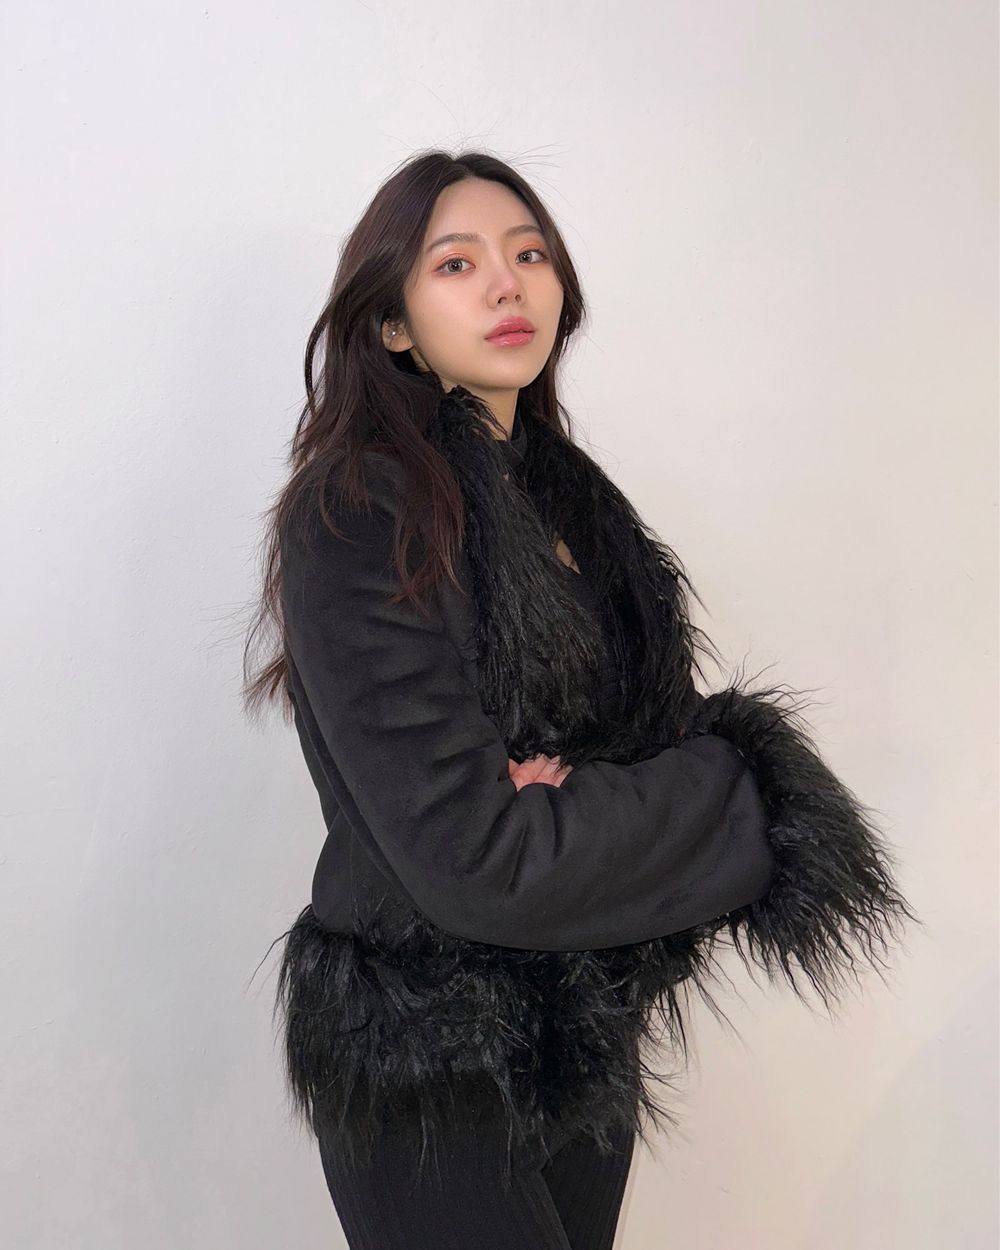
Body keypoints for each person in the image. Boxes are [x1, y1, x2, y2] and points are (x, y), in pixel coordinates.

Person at [243, 149, 919, 1250]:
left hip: (584, 1031)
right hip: (430, 1061)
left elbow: (630, 754)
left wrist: (579, 803)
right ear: (394, 324)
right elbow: (479, 859)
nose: (505, 284)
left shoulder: (572, 505)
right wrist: (741, 784)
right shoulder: (361, 508)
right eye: (455, 263)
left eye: (529, 254)